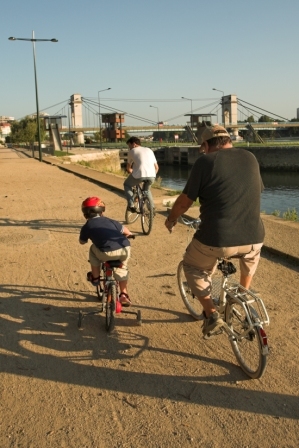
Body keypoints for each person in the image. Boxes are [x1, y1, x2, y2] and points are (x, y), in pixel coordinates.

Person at [165, 125, 265, 336]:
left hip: (216, 239)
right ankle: (243, 295)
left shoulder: (205, 162)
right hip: (255, 236)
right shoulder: (250, 157)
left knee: (192, 266)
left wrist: (172, 219)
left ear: (205, 145)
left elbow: (184, 202)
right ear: (229, 140)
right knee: (250, 259)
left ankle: (211, 314)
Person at [79, 196, 133, 306]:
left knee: (92, 249)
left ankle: (95, 277)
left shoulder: (87, 226)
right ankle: (124, 294)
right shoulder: (111, 221)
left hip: (105, 252)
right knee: (122, 268)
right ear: (102, 211)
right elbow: (128, 232)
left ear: (85, 214)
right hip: (124, 249)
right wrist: (129, 235)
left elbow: (82, 241)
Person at [124, 136, 159, 212]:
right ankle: (152, 209)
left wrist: (131, 171)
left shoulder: (132, 151)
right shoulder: (149, 150)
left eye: (129, 146)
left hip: (139, 175)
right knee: (146, 190)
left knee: (127, 184)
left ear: (134, 144)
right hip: (152, 175)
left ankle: (131, 205)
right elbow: (156, 167)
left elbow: (128, 168)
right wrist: (152, 174)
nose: (129, 148)